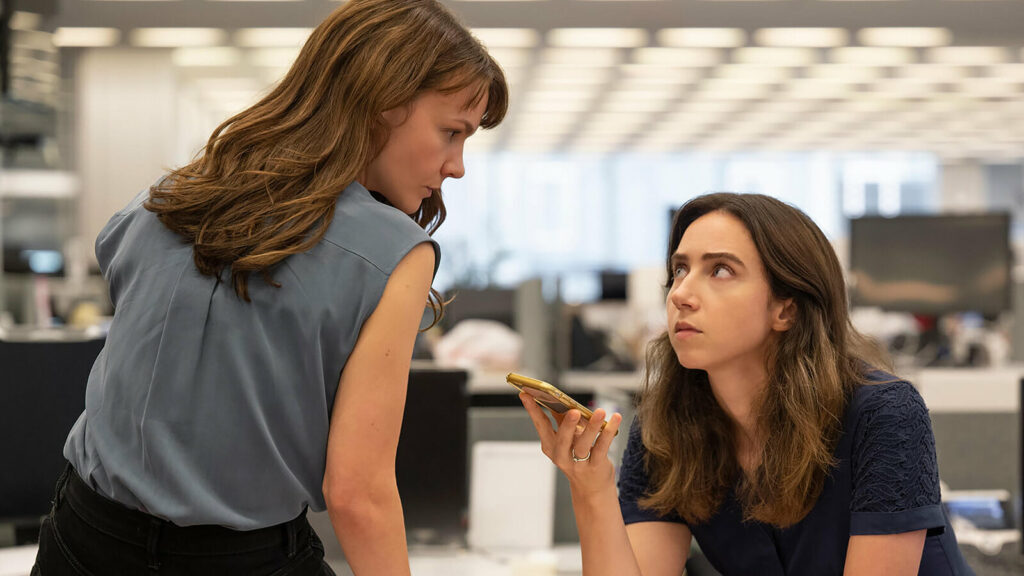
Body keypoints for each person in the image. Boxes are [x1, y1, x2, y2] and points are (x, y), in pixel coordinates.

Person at [32, 1, 507, 574]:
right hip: (238, 558)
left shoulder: (169, 197)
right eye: (451, 131)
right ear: (384, 103)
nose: (456, 166)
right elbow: (359, 495)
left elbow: (120, 277)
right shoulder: (395, 251)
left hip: (81, 536)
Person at [521, 193, 974, 575]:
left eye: (720, 270)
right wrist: (591, 486)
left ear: (786, 309)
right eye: (680, 270)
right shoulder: (667, 428)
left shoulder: (883, 414)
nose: (680, 293)